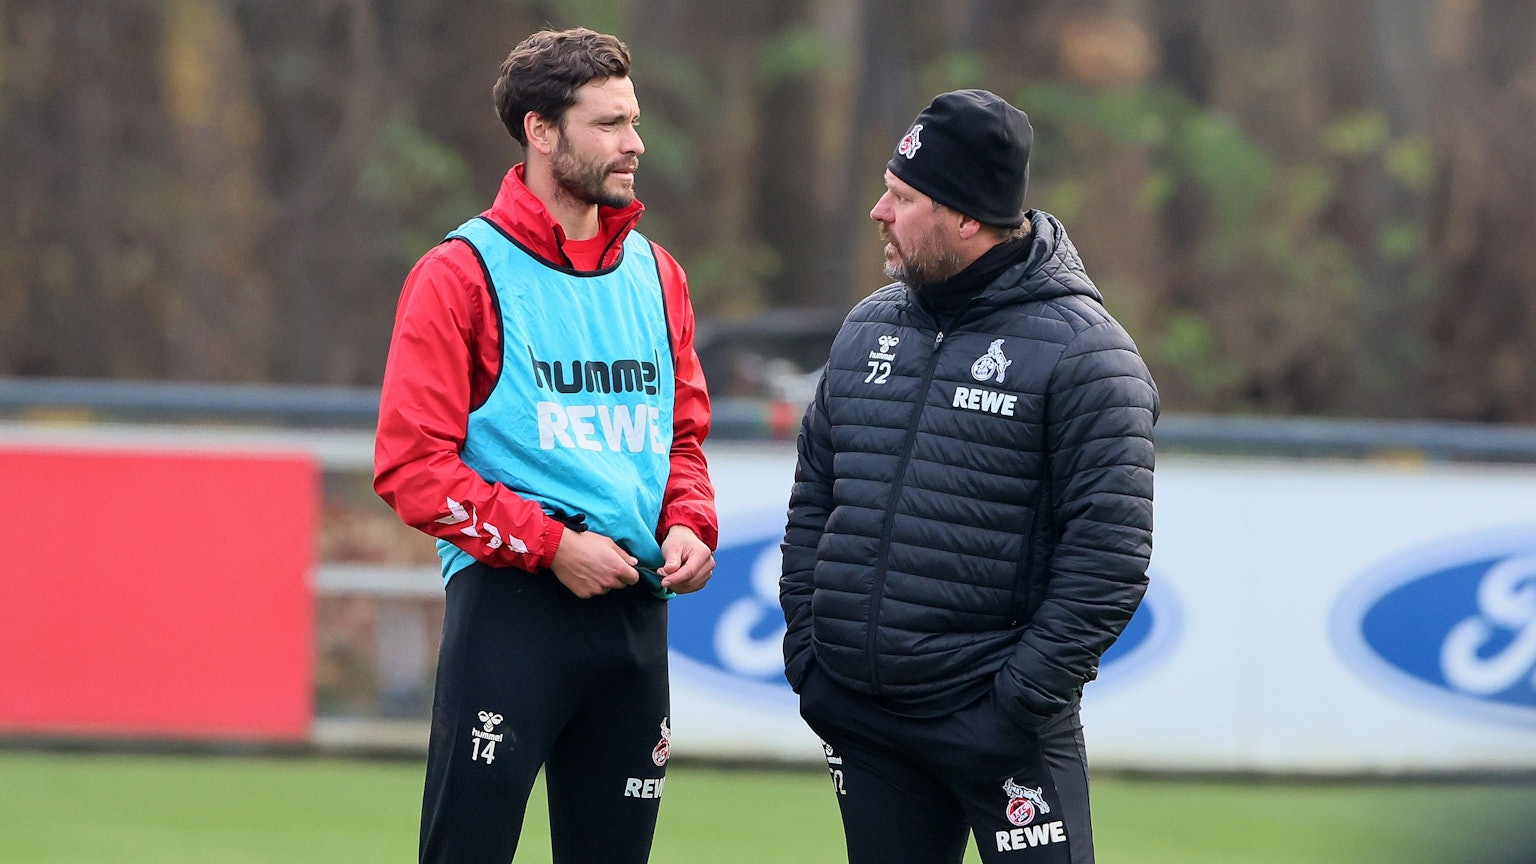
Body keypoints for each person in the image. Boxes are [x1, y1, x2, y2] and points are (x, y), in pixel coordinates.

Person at [779, 89, 1158, 864]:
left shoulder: (1088, 355)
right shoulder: (866, 327)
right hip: (865, 719)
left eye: (903, 197)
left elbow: (1110, 557)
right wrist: (812, 658)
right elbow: (815, 496)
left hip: (999, 724)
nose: (878, 212)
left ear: (966, 216)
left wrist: (1013, 705)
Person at [373, 27, 717, 864]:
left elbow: (682, 439)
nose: (635, 143)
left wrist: (691, 523)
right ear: (540, 130)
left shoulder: (657, 273)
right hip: (512, 615)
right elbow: (410, 466)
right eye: (608, 124)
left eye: (633, 120)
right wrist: (552, 546)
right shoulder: (458, 274)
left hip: (636, 611)